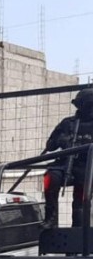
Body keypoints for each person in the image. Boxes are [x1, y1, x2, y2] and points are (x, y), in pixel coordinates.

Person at [43, 88, 93, 228]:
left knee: (81, 197)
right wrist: (62, 140)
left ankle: (78, 229)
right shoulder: (68, 123)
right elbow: (50, 145)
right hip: (65, 163)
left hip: (87, 166)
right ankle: (51, 219)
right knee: (51, 177)